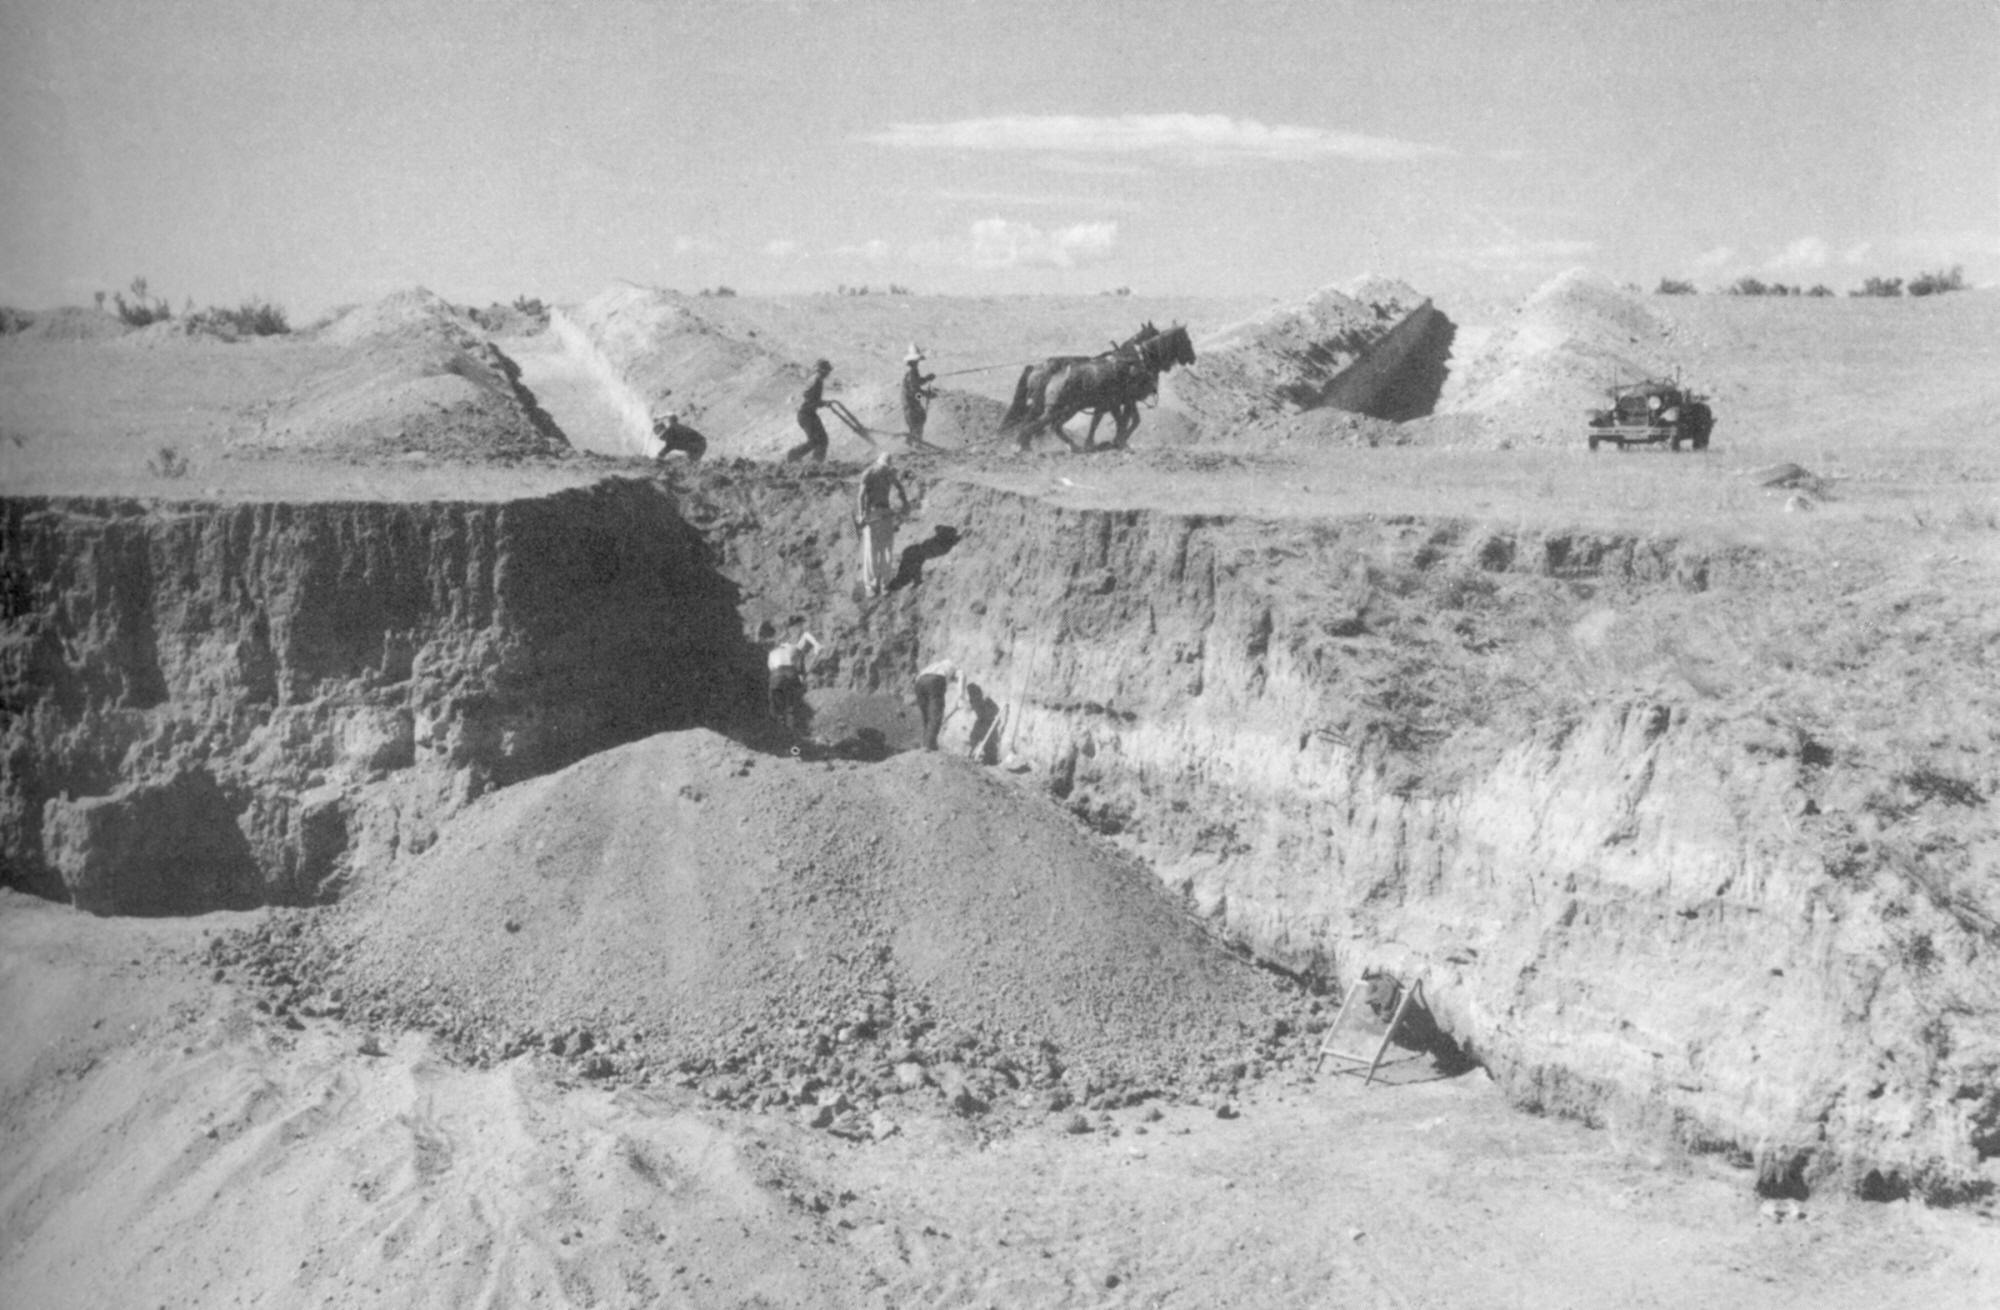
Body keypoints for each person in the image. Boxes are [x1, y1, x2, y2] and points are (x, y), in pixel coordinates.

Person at [856, 452, 912, 597]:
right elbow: (861, 495)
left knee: (882, 550)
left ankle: (879, 584)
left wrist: (905, 503)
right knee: (876, 550)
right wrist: (861, 514)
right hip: (876, 513)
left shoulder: (882, 472)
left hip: (880, 513)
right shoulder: (874, 473)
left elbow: (899, 487)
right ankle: (875, 585)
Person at [767, 623, 821, 733]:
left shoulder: (772, 653)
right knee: (791, 705)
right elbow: (806, 635)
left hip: (776, 674)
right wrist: (816, 645)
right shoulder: (793, 648)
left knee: (775, 703)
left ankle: (777, 729)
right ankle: (793, 732)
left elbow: (771, 669)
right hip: (791, 673)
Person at [785, 358, 834, 463]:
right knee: (817, 440)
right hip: (806, 415)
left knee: (820, 440)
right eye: (825, 371)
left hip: (808, 413)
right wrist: (823, 403)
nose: (827, 374)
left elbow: (812, 399)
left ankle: (815, 461)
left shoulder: (815, 380)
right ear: (820, 371)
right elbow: (810, 399)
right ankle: (795, 455)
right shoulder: (816, 381)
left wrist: (823, 403)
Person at [913, 657, 965, 752]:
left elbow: (918, 678)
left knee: (926, 716)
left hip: (919, 682)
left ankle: (925, 744)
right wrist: (960, 698)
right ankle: (930, 746)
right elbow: (961, 677)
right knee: (935, 714)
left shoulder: (935, 665)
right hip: (935, 680)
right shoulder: (956, 667)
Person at [900, 345, 936, 448]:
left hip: (911, 403)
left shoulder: (913, 373)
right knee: (917, 423)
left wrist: (927, 379)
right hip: (910, 405)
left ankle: (913, 444)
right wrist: (925, 395)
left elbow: (917, 384)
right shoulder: (912, 373)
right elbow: (915, 391)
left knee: (919, 420)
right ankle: (914, 444)